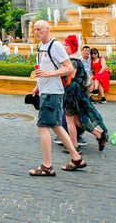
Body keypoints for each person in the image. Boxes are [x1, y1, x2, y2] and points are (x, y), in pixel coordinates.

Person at [28, 20, 87, 177]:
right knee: (56, 126)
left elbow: (68, 68)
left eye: (39, 29)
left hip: (53, 92)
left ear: (48, 30)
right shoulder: (41, 46)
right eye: (35, 30)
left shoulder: (56, 46)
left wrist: (48, 75)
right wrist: (38, 86)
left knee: (43, 126)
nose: (36, 32)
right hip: (46, 90)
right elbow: (44, 68)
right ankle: (76, 158)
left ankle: (47, 166)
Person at [61, 35, 109, 153]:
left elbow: (70, 76)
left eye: (66, 45)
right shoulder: (75, 59)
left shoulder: (72, 60)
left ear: (72, 47)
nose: (64, 46)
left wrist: (55, 74)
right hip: (77, 92)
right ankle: (99, 135)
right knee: (78, 119)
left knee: (69, 120)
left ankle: (74, 146)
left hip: (72, 92)